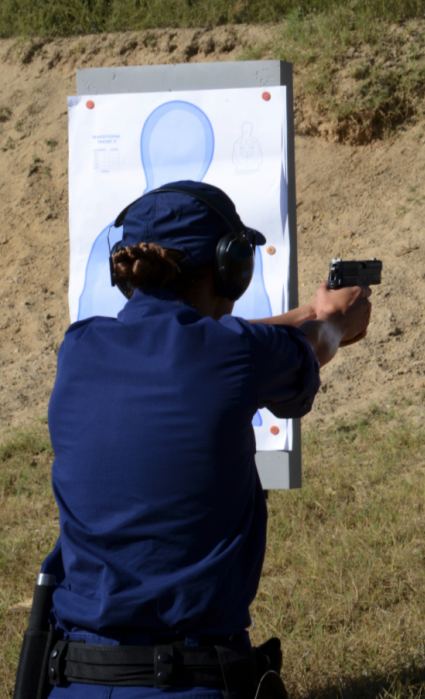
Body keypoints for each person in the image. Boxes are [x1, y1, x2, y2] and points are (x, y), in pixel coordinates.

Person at [35, 181, 371, 699]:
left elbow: (196, 342)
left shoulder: (79, 348)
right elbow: (313, 344)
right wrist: (333, 320)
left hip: (76, 677)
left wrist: (302, 313)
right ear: (228, 266)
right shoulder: (237, 353)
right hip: (191, 682)